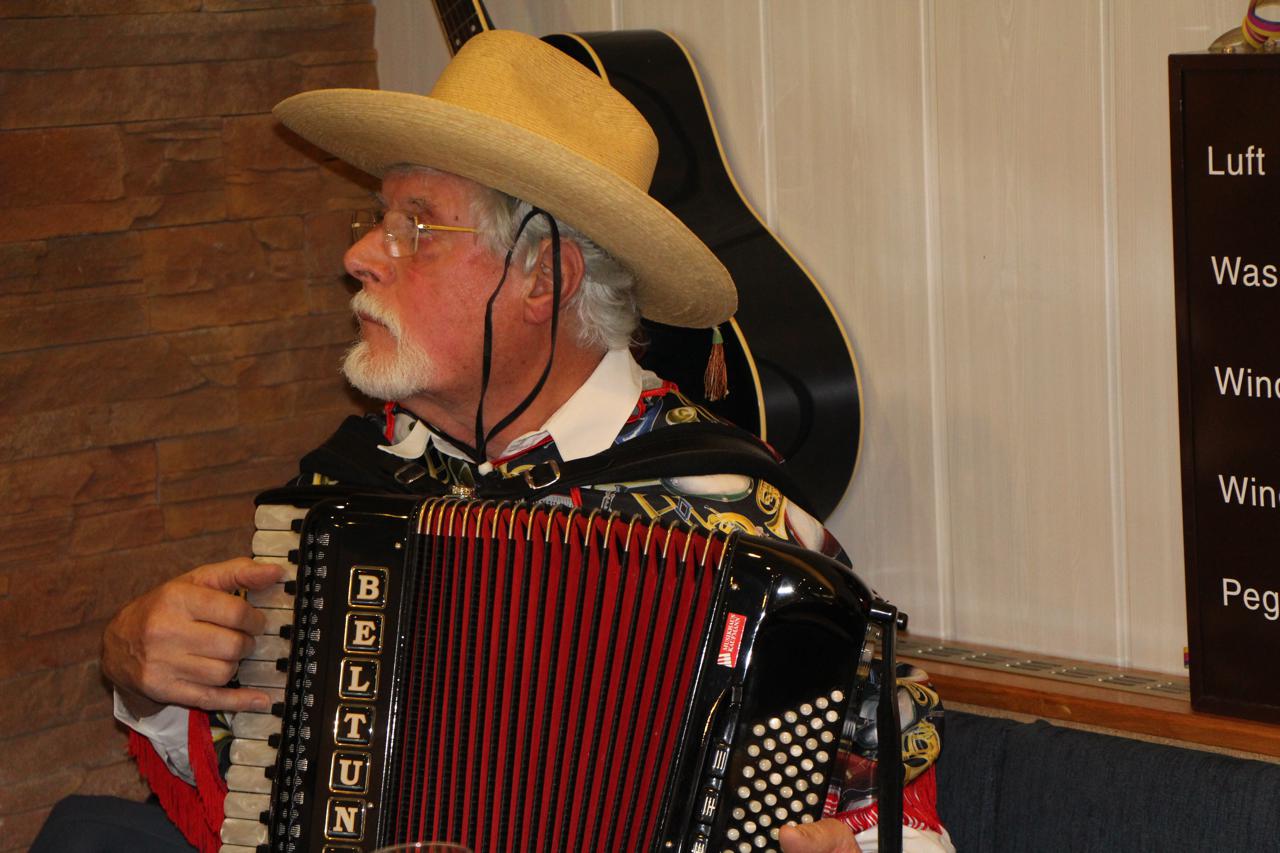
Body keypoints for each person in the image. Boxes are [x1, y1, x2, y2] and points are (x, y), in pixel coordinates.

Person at [35, 30, 950, 853]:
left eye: (415, 227)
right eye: (376, 220)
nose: (361, 256)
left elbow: (896, 822)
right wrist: (146, 677)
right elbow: (255, 794)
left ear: (543, 277)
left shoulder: (746, 529)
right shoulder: (354, 490)